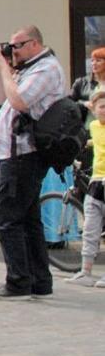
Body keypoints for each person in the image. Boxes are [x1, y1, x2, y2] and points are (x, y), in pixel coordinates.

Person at [0, 25, 67, 300]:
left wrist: (6, 70)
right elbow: (1, 98)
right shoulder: (27, 67)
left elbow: (19, 101)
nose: (13, 50)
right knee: (28, 220)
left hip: (25, 153)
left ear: (34, 44)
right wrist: (3, 69)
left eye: (17, 45)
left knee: (6, 218)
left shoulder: (46, 68)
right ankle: (39, 282)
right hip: (15, 152)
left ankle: (18, 282)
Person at [67, 88, 105, 287]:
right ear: (94, 109)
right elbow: (93, 142)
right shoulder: (93, 126)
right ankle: (86, 271)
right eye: (101, 107)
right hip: (96, 181)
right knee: (90, 229)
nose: (104, 110)